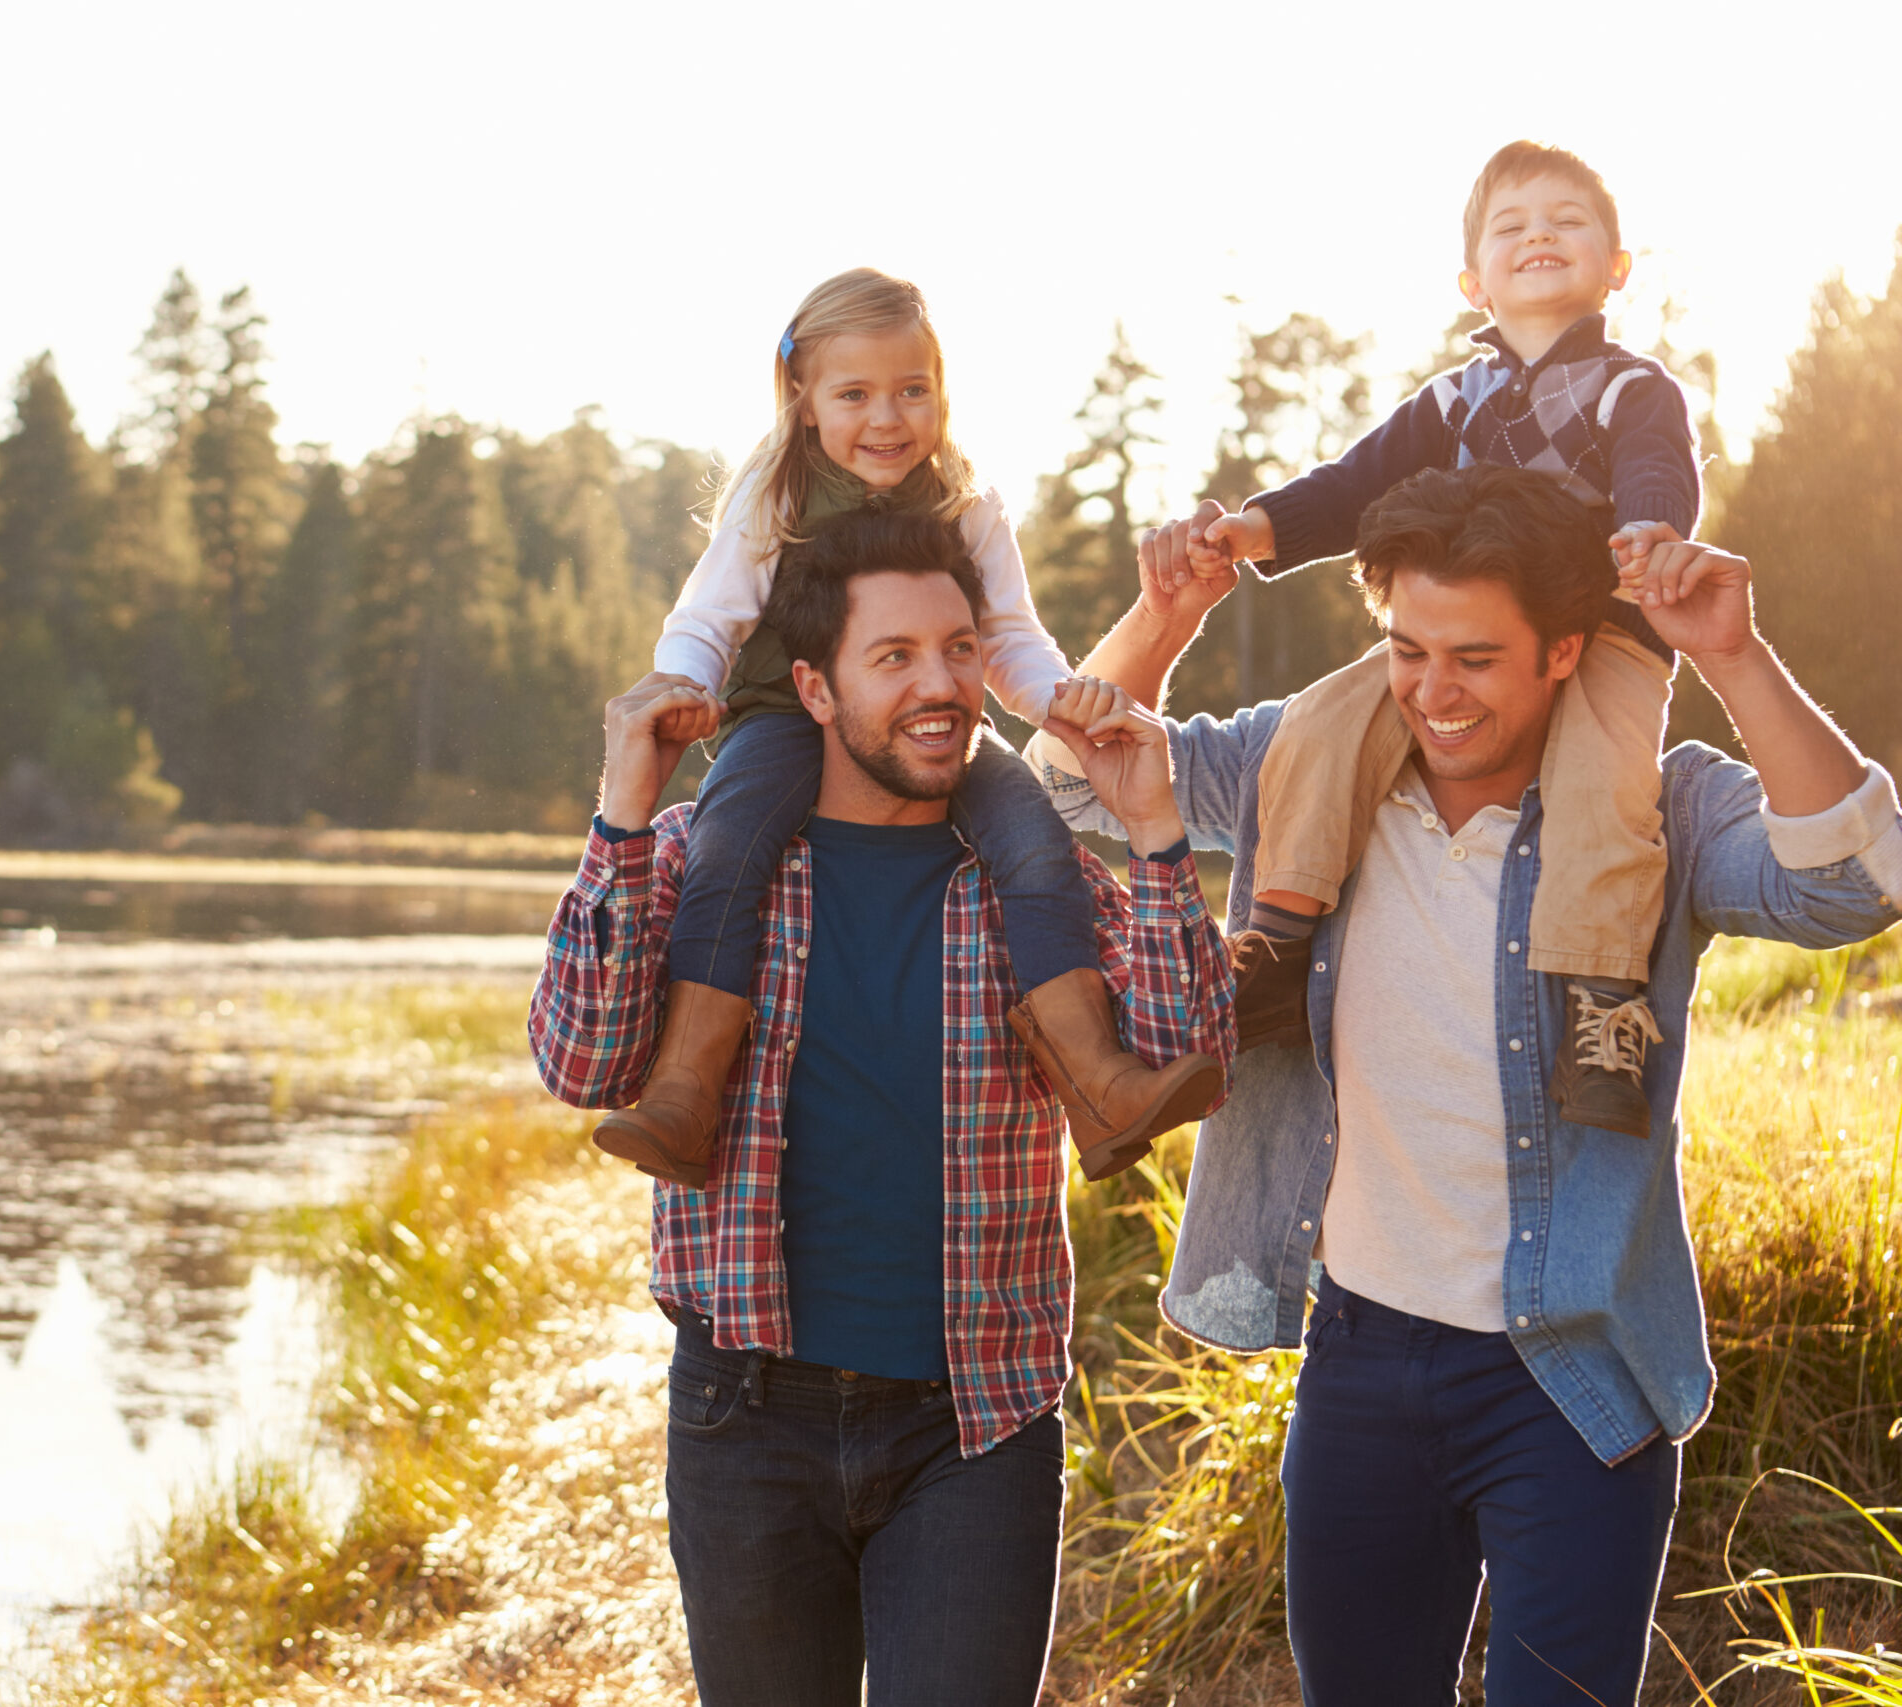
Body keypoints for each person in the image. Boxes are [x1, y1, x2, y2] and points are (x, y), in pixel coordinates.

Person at [1050, 464, 1902, 1706]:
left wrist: (1733, 652)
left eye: (1475, 660)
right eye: (1406, 649)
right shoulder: (1306, 769)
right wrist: (1168, 619)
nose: (1431, 693)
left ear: (1564, 651)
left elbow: (1853, 886)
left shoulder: (1651, 806)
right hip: (1359, 1360)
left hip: (1567, 1373)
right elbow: (1076, 779)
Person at [530, 508, 1234, 1705]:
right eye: (894, 656)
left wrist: (1157, 827)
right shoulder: (715, 861)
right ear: (813, 686)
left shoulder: (1031, 878)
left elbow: (1191, 1051)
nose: (943, 685)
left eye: (960, 651)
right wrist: (621, 817)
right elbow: (584, 1067)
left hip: (976, 1421)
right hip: (745, 1415)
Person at [596, 266, 1189, 1188]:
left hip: (928, 721)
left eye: (913, 390)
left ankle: (1098, 1080)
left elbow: (1006, 635)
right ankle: (684, 1088)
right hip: (778, 716)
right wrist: (683, 683)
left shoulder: (964, 500)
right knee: (731, 839)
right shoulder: (776, 495)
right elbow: (708, 616)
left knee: (1032, 836)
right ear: (802, 400)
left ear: (942, 392)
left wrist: (1055, 698)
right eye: (856, 394)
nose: (888, 418)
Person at [1156, 140, 1701, 1139]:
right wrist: (1260, 528)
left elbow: (1659, 473)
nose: (1539, 234)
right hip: (1455, 634)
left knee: (1606, 773)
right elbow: (1354, 482)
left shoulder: (1632, 391)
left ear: (1615, 266)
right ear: (1472, 278)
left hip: (1603, 624)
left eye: (1567, 221)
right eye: (1511, 226)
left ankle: (1601, 1002)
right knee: (1319, 723)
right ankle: (1277, 941)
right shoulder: (1454, 400)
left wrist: (1652, 535)